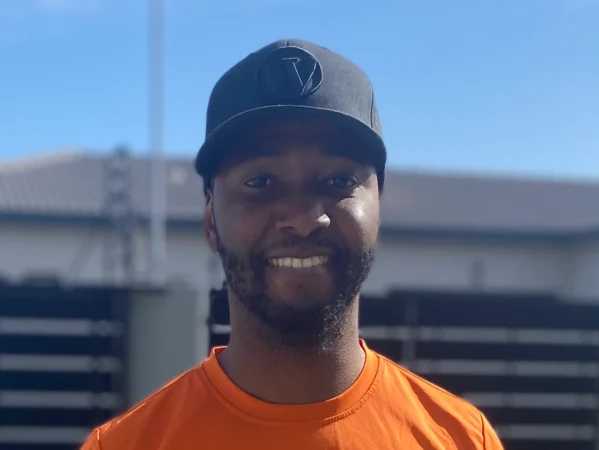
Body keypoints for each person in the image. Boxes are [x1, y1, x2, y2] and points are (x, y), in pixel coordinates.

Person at [81, 39, 504, 450]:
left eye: (338, 180)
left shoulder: (462, 439)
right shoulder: (127, 444)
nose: (303, 219)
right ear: (211, 220)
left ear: (378, 208)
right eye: (260, 182)